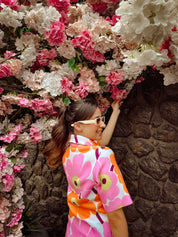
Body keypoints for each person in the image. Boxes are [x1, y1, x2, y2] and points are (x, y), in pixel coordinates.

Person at [43, 97, 133, 237]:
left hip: (75, 230)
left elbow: (102, 141)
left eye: (102, 119)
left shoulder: (68, 151)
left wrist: (115, 112)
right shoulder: (102, 156)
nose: (102, 124)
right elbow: (115, 215)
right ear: (78, 126)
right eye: (97, 120)